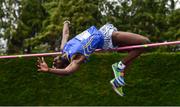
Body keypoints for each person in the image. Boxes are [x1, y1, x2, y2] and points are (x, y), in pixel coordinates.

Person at [37, 21, 151, 96]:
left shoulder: (64, 48)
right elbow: (68, 71)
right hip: (107, 37)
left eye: (53, 62)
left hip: (104, 32)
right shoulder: (76, 58)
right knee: (145, 43)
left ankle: (119, 79)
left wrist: (66, 22)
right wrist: (49, 70)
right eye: (55, 65)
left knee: (136, 50)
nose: (54, 62)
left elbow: (65, 34)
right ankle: (119, 66)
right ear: (63, 64)